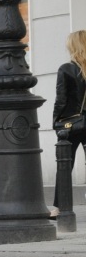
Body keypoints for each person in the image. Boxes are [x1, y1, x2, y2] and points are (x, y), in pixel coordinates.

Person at [51, 29, 86, 213]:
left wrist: (56, 121)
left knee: (65, 165)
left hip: (71, 125)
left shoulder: (66, 69)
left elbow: (61, 100)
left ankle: (58, 208)